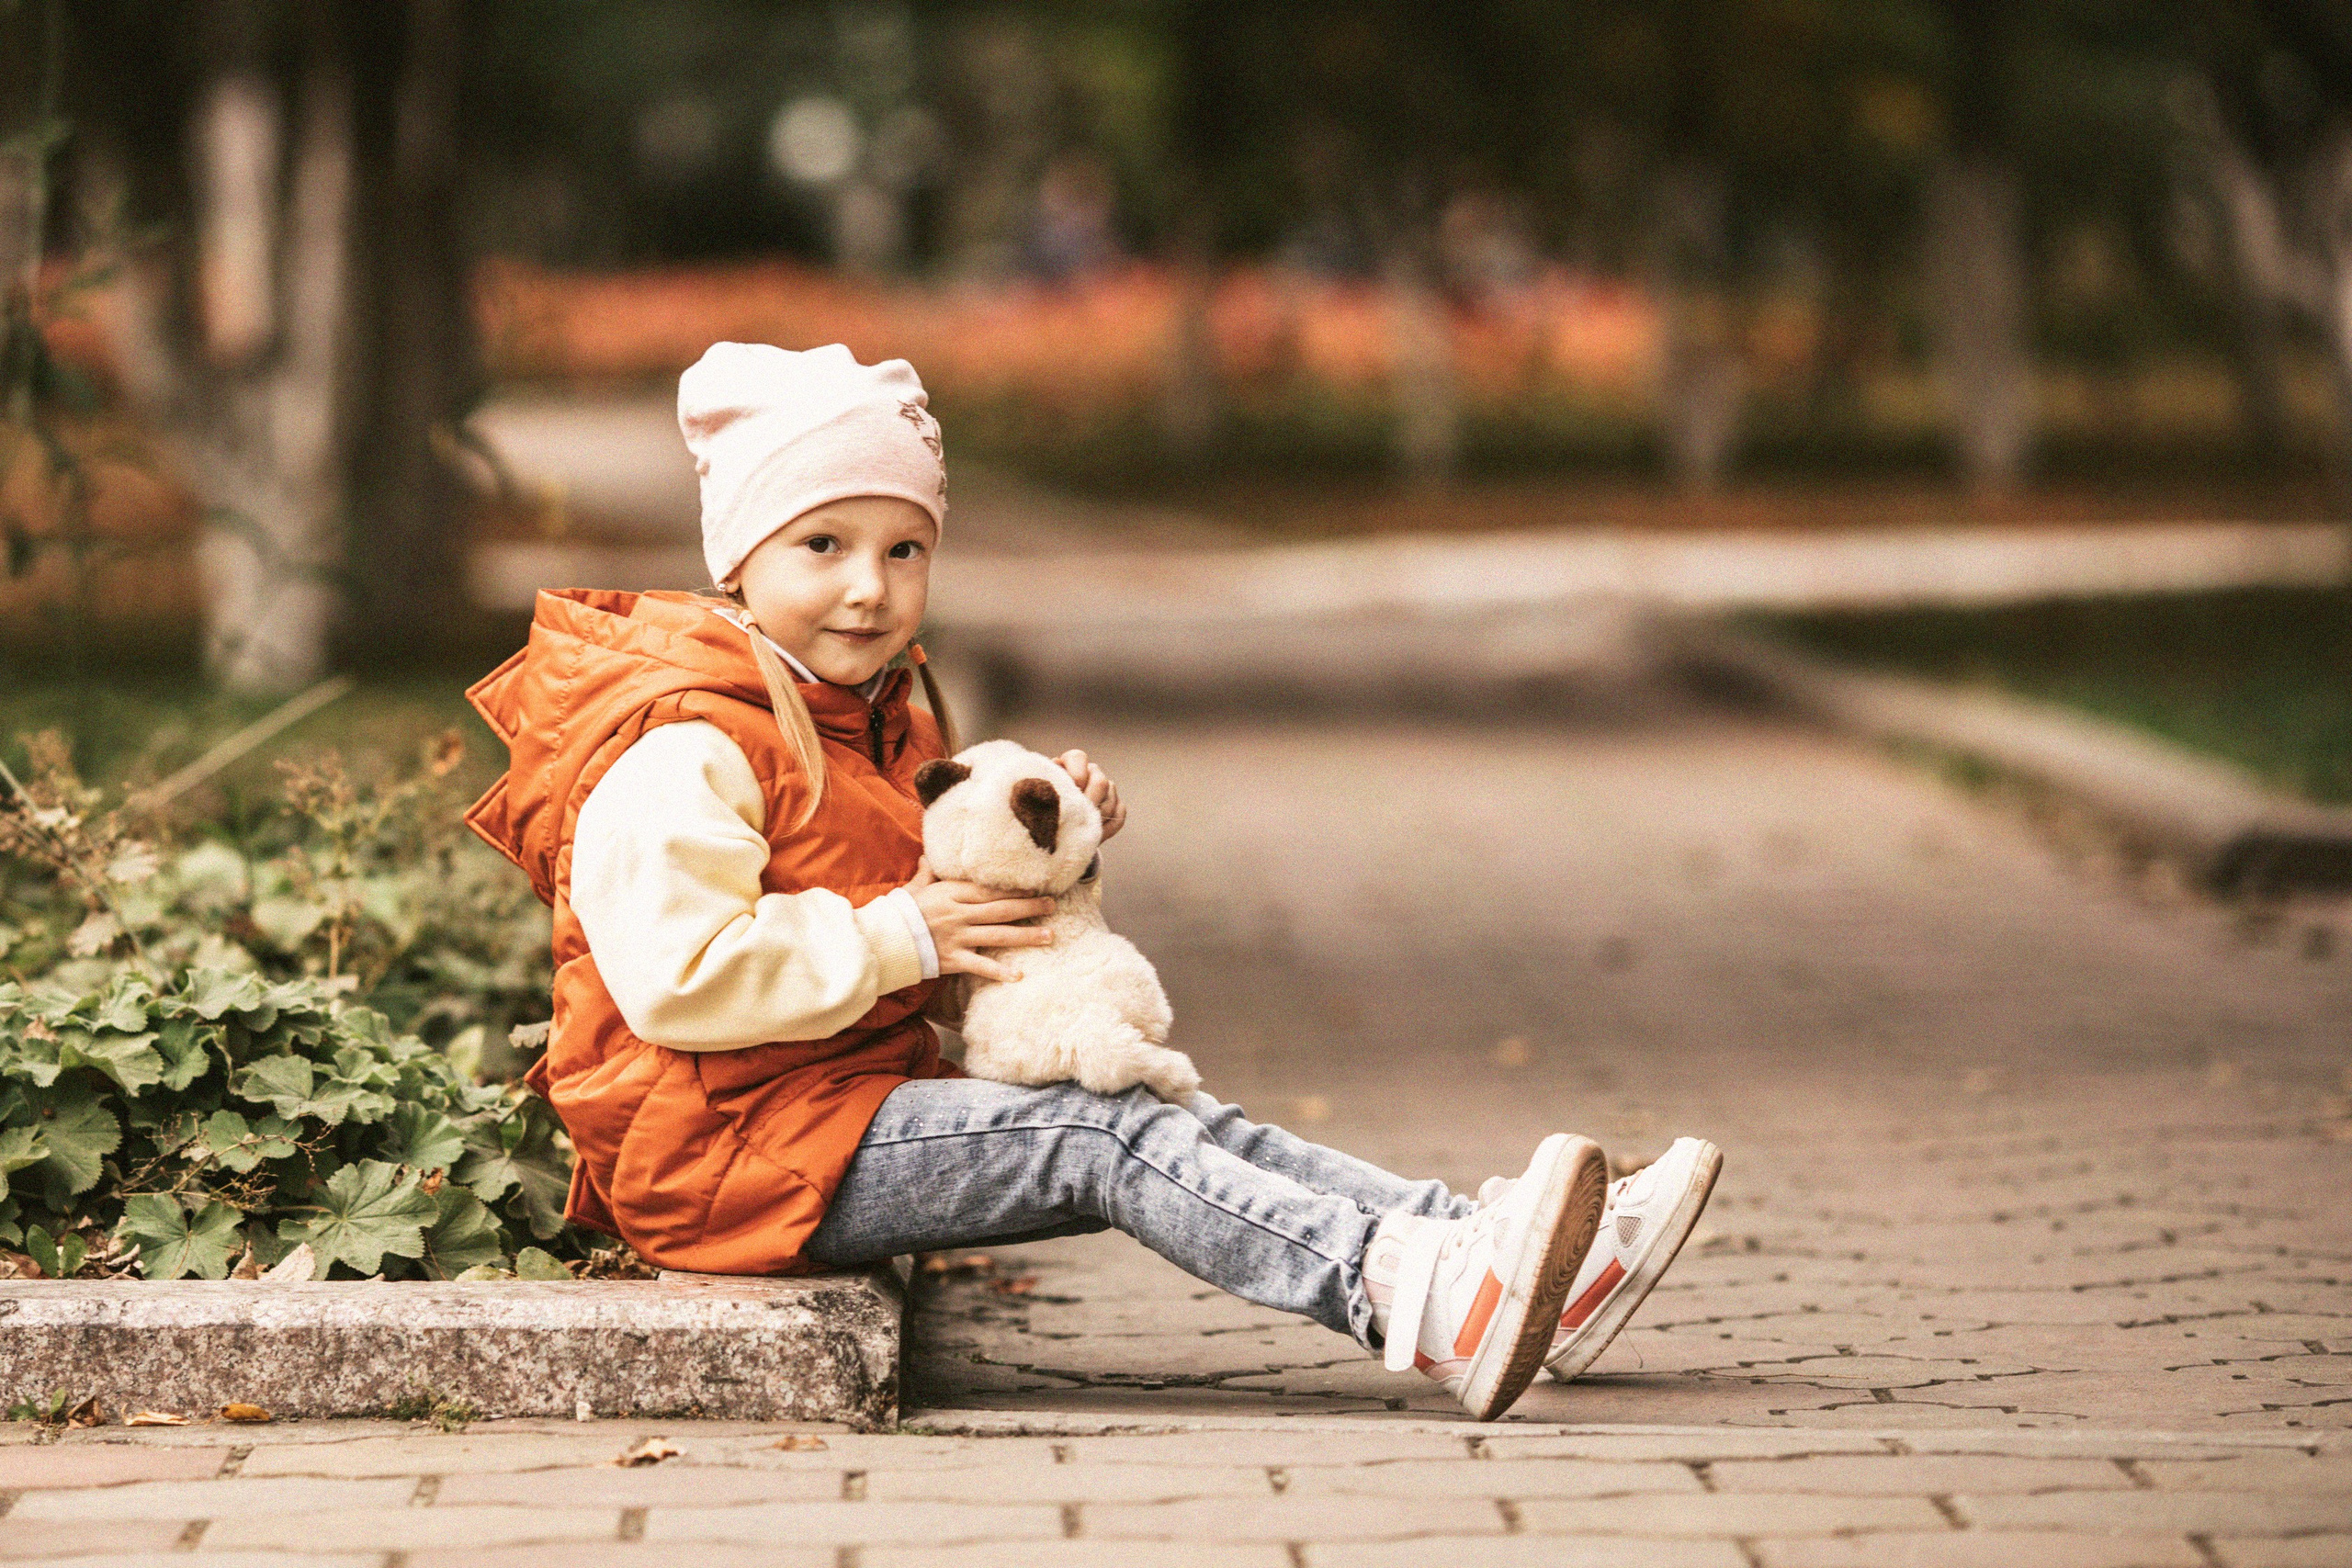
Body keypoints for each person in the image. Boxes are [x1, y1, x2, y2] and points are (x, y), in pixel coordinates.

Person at [462, 342, 1721, 1421]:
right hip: (722, 1156)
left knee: (1166, 1107)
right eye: (823, 544)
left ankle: (1504, 1254)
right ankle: (1417, 1299)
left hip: (831, 1107)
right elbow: (680, 980)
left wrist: (1054, 822)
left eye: (906, 548)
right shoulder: (687, 741)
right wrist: (901, 933)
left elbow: (950, 881)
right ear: (738, 559)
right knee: (1094, 1129)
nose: (869, 584)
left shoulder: (867, 713)